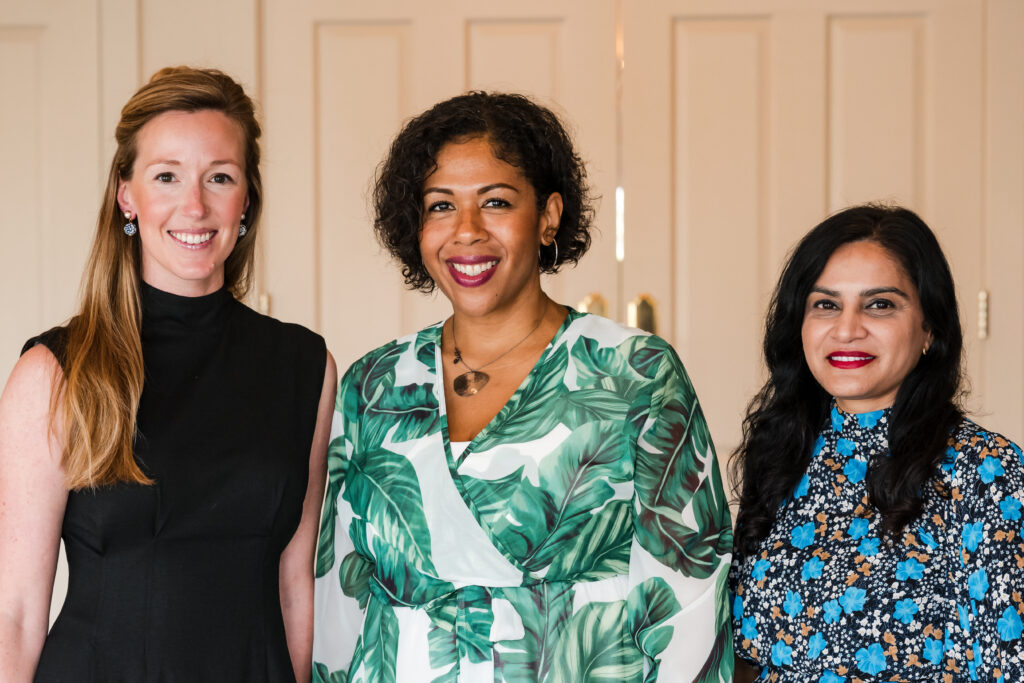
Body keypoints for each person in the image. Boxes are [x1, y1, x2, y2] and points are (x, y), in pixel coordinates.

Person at [312, 92, 733, 681]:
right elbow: (341, 589)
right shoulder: (376, 383)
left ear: (549, 215)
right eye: (440, 206)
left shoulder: (632, 371)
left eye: (496, 202)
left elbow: (690, 585)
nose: (466, 231)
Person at [0, 67, 336, 682]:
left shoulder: (304, 365)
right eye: (166, 177)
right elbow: (16, 613)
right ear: (127, 195)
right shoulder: (55, 372)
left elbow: (295, 586)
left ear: (247, 197)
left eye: (220, 177)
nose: (195, 206)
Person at [729, 204, 1024, 681]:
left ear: (929, 328)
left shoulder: (985, 470)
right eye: (825, 304)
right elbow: (747, 655)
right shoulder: (781, 452)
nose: (847, 329)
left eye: (879, 304)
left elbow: (1010, 664)